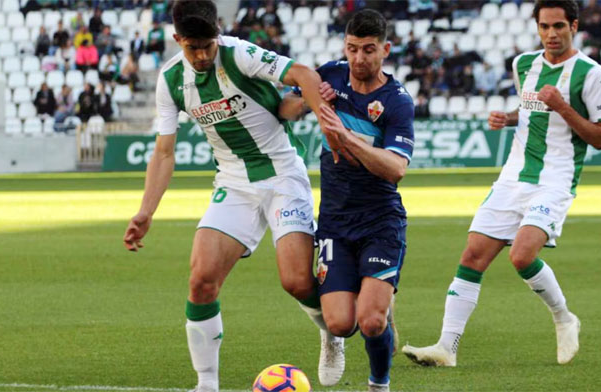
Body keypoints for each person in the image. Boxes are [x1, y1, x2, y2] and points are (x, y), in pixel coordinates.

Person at [122, 1, 345, 391]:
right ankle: (207, 383)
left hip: (282, 176)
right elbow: (164, 152)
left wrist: (330, 129)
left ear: (218, 32)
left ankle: (330, 333)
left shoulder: (239, 54)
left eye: (208, 44)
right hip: (233, 184)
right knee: (201, 280)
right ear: (178, 40)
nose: (203, 55)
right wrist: (146, 211)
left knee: (295, 281)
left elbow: (304, 75)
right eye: (193, 48)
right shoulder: (171, 80)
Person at [402, 0, 601, 368]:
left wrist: (563, 107)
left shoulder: (591, 74)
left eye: (559, 26)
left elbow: (600, 137)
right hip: (513, 176)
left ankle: (564, 318)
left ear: (574, 26)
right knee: (472, 257)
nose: (551, 34)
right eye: (544, 26)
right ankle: (446, 347)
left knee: (522, 255)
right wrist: (509, 117)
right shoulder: (524, 65)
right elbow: (533, 113)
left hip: (555, 179)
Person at [278, 9, 414, 392]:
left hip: (380, 221)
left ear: (385, 50)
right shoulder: (331, 75)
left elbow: (395, 169)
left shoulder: (397, 102)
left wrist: (343, 134)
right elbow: (284, 110)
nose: (359, 59)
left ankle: (379, 384)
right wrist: (310, 99)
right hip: (335, 222)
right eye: (352, 49)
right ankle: (336, 336)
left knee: (371, 321)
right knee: (340, 322)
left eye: (368, 50)